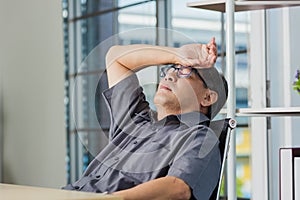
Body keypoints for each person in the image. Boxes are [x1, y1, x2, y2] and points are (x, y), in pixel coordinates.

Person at [63, 37, 228, 200]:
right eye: (171, 68)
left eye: (185, 71)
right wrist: (178, 54)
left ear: (207, 98)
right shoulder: (136, 120)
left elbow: (179, 189)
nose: (169, 76)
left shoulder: (200, 138)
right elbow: (115, 58)